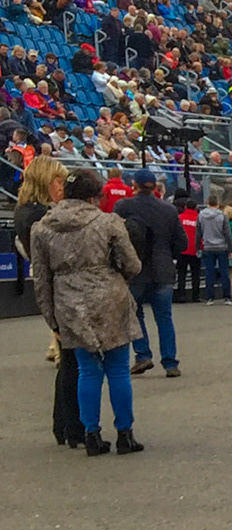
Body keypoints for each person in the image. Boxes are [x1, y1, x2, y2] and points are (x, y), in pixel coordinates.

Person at [30, 167, 143, 456]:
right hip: (109, 297)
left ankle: (91, 434)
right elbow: (132, 264)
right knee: (118, 369)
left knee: (87, 371)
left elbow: (41, 280)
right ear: (94, 196)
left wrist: (51, 319)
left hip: (69, 301)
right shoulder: (108, 222)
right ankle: (125, 433)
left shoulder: (42, 228)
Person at [18, 156, 80, 446]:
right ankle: (70, 424)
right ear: (45, 181)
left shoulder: (29, 212)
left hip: (54, 289)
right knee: (72, 362)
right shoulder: (39, 217)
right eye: (58, 180)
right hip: (59, 291)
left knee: (69, 360)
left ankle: (64, 425)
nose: (62, 187)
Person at [118, 168, 184, 377]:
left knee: (134, 313)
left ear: (134, 186)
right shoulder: (169, 210)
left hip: (136, 269)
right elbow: (182, 242)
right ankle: (170, 362)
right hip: (163, 269)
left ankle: (143, 354)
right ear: (155, 187)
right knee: (164, 318)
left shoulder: (124, 207)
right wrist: (168, 254)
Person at [197, 190, 232, 304]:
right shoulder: (222, 216)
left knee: (209, 273)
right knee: (224, 272)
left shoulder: (201, 215)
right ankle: (227, 297)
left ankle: (210, 298)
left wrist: (198, 247)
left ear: (207, 202)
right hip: (222, 247)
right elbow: (227, 233)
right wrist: (230, 248)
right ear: (217, 203)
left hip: (207, 247)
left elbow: (198, 233)